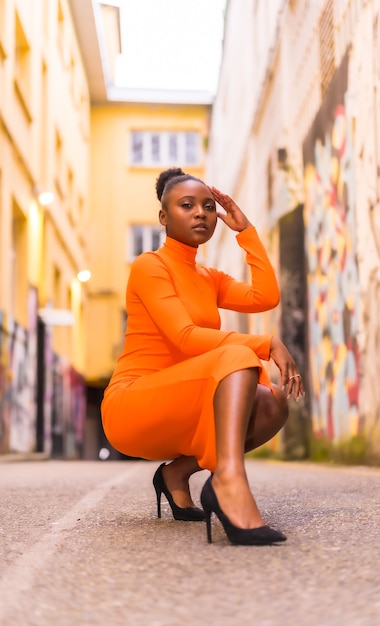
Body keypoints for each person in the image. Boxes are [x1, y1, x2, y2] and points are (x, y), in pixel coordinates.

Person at [101, 167, 305, 545]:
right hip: (133, 403)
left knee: (274, 402)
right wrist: (265, 344)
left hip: (185, 397)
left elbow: (266, 297)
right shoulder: (150, 266)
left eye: (209, 207)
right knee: (237, 357)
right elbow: (184, 338)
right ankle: (228, 478)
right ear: (164, 217)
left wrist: (245, 232)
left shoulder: (209, 278)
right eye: (187, 205)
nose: (201, 213)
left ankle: (176, 474)